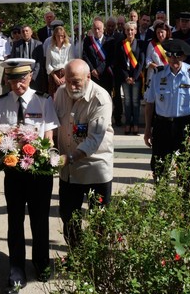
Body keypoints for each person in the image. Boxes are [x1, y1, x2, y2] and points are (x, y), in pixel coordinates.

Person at [0, 58, 59, 293]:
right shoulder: (0, 103)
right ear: (7, 80)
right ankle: (16, 270)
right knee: (14, 222)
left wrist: (40, 155)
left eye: (22, 79)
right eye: (12, 79)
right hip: (14, 173)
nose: (18, 84)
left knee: (40, 221)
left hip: (38, 173)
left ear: (30, 77)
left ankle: (41, 263)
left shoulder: (44, 100)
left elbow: (49, 135)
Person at [54, 58, 114, 248]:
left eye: (76, 81)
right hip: (68, 171)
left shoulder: (101, 98)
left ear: (88, 77)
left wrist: (69, 158)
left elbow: (93, 139)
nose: (71, 86)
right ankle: (76, 253)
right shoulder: (60, 93)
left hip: (94, 168)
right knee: (68, 216)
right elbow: (54, 125)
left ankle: (96, 257)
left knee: (99, 218)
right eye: (68, 80)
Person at [144, 39, 190, 198]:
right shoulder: (158, 74)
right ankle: (162, 200)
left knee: (183, 165)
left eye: (177, 58)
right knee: (159, 165)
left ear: (183, 57)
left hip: (183, 125)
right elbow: (149, 103)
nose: (174, 61)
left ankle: (184, 202)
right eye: (171, 57)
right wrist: (147, 130)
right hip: (162, 125)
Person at [114, 21, 145, 135]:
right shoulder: (120, 44)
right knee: (127, 101)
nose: (130, 32)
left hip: (136, 77)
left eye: (132, 30)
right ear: (125, 31)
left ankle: (135, 124)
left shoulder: (141, 44)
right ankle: (128, 123)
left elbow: (141, 62)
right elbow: (118, 63)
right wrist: (126, 77)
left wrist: (134, 77)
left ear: (136, 31)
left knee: (135, 101)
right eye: (128, 30)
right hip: (125, 78)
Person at [82, 18, 115, 95]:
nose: (96, 31)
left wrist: (99, 70)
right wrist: (93, 69)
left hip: (105, 74)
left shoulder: (110, 41)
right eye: (95, 28)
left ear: (103, 29)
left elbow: (110, 58)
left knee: (106, 97)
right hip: (92, 75)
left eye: (99, 29)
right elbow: (85, 56)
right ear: (92, 29)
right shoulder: (87, 40)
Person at [11, 25, 45, 92]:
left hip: (34, 76)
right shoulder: (16, 45)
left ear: (31, 32)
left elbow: (39, 62)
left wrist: (33, 76)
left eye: (27, 31)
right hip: (20, 75)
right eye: (23, 31)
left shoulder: (38, 44)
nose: (25, 33)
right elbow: (13, 60)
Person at [46, 26, 74, 97]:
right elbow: (48, 64)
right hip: (54, 75)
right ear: (54, 36)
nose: (60, 37)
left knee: (66, 97)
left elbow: (71, 62)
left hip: (66, 74)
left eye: (62, 35)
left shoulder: (69, 46)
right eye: (58, 35)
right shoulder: (50, 48)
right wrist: (55, 77)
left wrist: (64, 77)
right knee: (54, 98)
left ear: (64, 36)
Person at [145, 21, 171, 87]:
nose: (160, 35)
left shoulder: (172, 43)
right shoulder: (151, 44)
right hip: (155, 74)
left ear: (167, 32)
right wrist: (152, 65)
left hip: (168, 74)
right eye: (158, 33)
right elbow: (148, 58)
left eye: (162, 32)